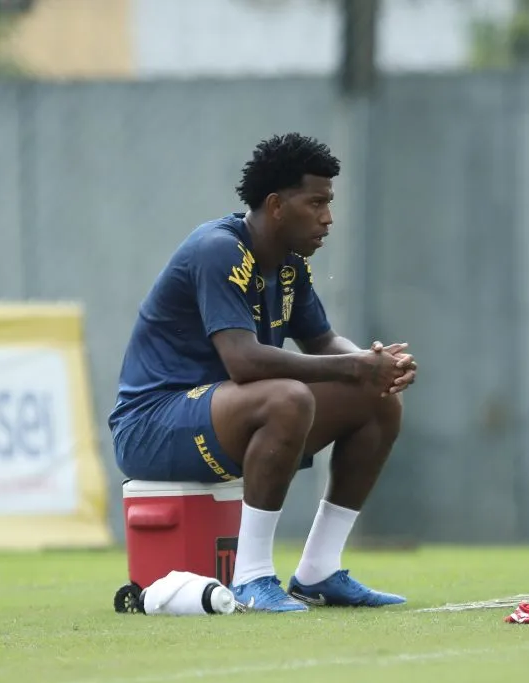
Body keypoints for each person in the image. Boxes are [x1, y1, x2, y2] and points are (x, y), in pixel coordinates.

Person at [109, 132, 417, 613]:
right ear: (275, 205)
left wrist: (374, 366)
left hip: (223, 414)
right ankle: (252, 577)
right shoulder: (219, 250)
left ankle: (318, 571)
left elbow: (322, 342)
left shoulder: (289, 265)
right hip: (152, 424)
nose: (328, 217)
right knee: (287, 398)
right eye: (316, 202)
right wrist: (354, 366)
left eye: (329, 203)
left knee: (376, 400)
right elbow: (244, 361)